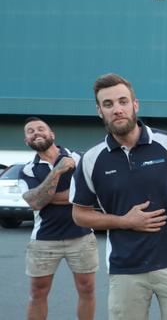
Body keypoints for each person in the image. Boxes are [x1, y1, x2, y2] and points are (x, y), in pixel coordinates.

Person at [71, 73, 167, 320]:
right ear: (99, 111)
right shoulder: (92, 159)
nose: (117, 109)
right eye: (108, 104)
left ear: (135, 105)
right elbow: (79, 214)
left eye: (122, 101)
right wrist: (124, 221)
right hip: (125, 270)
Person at [19, 116, 99, 320]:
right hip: (44, 240)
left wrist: (47, 196)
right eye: (30, 131)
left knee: (87, 289)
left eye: (40, 129)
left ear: (51, 134)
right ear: (27, 141)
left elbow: (91, 193)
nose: (36, 132)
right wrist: (59, 170)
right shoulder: (27, 170)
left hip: (81, 236)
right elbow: (35, 203)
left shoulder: (79, 158)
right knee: (38, 292)